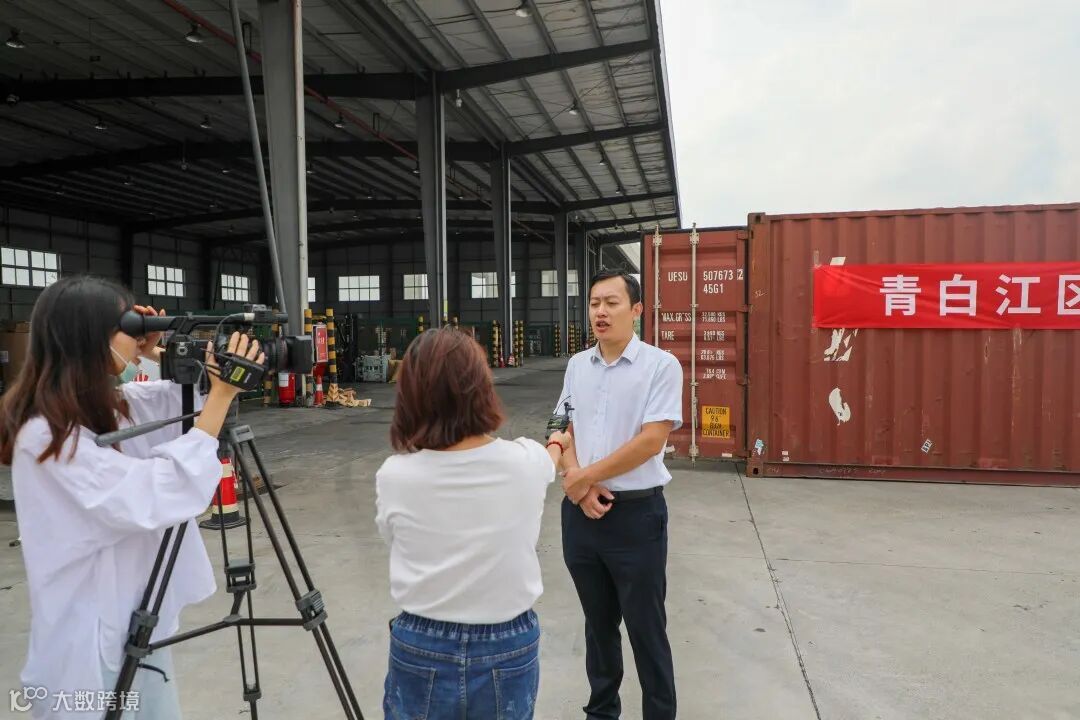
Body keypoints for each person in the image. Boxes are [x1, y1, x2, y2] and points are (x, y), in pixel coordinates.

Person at [0, 275, 264, 719]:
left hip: (136, 621)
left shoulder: (103, 405)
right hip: (88, 646)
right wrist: (222, 394)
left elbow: (178, 403)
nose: (135, 337)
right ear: (92, 338)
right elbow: (155, 493)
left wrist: (159, 353)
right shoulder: (44, 436)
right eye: (128, 328)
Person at [375, 327, 571, 720]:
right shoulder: (526, 461)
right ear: (481, 388)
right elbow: (550, 461)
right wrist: (557, 442)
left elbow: (394, 540)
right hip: (508, 643)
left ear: (411, 394)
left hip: (422, 642)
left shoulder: (395, 475)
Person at [556, 269, 684, 720]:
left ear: (637, 310)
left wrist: (584, 477)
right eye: (594, 303)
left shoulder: (661, 366)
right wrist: (577, 483)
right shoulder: (577, 365)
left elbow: (652, 440)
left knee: (647, 630)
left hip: (636, 518)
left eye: (612, 303)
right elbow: (561, 424)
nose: (601, 312)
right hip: (581, 517)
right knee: (598, 627)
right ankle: (601, 712)